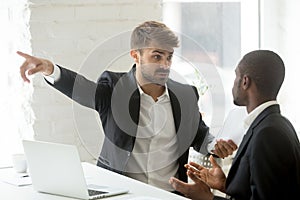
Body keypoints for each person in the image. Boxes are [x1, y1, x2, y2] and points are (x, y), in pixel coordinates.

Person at [17, 21, 237, 192]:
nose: (165, 65)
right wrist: (51, 70)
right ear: (136, 55)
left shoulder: (186, 95)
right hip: (122, 194)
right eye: (157, 56)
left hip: (168, 194)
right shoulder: (114, 87)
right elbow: (84, 90)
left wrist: (214, 145)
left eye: (169, 57)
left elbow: (200, 136)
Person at [169, 50, 300, 199]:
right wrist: (225, 185)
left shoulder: (267, 133)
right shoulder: (277, 124)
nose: (233, 84)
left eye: (236, 76)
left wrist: (208, 198)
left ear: (245, 81)